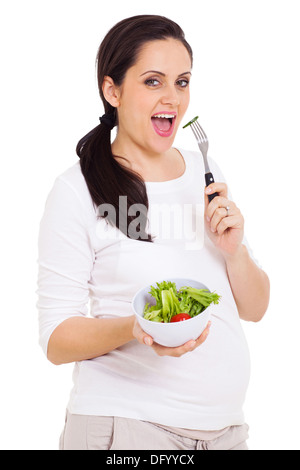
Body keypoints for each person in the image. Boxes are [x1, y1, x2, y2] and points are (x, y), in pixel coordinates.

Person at [37, 15, 270, 451]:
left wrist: (235, 252)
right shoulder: (76, 190)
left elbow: (256, 309)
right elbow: (55, 339)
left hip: (226, 434)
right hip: (127, 429)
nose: (172, 98)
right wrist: (139, 327)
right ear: (112, 90)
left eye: (182, 82)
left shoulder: (204, 172)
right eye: (152, 81)